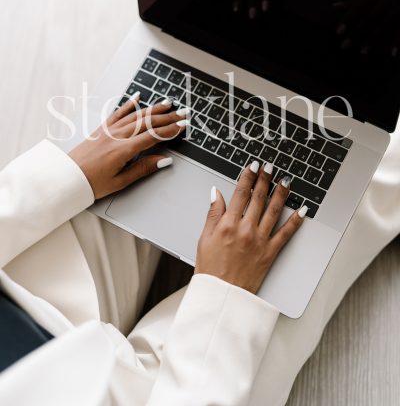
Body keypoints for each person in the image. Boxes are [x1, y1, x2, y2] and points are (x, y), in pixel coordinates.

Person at [0, 96, 307, 405]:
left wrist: (62, 180)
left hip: (26, 292)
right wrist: (225, 299)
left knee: (145, 152)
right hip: (156, 395)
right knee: (296, 263)